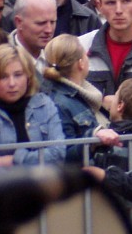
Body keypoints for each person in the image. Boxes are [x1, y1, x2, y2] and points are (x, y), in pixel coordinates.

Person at [0, 44, 65, 166]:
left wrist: (13, 160)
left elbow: (58, 154)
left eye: (18, 75)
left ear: (28, 76)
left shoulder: (44, 104)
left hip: (40, 183)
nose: (12, 83)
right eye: (3, 77)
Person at [42, 34, 119, 162]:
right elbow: (63, 152)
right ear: (81, 63)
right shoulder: (59, 102)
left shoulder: (82, 95)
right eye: (85, 55)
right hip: (77, 178)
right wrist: (93, 139)